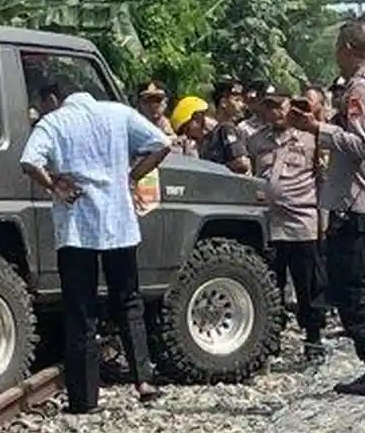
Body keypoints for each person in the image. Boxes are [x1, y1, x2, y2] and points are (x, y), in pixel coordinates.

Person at [20, 82, 170, 412]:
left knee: (80, 310)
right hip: (119, 224)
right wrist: (131, 176)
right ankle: (143, 380)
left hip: (76, 228)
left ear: (54, 98)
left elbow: (29, 162)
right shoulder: (118, 114)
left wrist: (53, 184)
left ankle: (84, 398)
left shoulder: (54, 122)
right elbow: (161, 144)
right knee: (129, 301)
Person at [287, 17, 365, 400]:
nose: (336, 57)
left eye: (338, 49)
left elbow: (360, 145)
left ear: (349, 50)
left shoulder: (362, 88)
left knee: (353, 288)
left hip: (358, 204)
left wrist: (316, 130)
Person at [246, 86, 328, 366]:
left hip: (302, 220)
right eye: (269, 106)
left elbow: (323, 178)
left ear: (290, 107)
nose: (275, 112)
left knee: (309, 284)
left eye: (279, 106)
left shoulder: (310, 138)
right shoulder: (257, 140)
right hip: (269, 221)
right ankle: (271, 338)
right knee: (271, 282)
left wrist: (325, 220)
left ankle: (313, 337)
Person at [199, 78, 250, 173]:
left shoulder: (224, 129)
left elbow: (242, 164)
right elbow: (241, 163)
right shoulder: (226, 128)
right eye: (237, 100)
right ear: (223, 103)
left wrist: (212, 168)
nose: (243, 105)